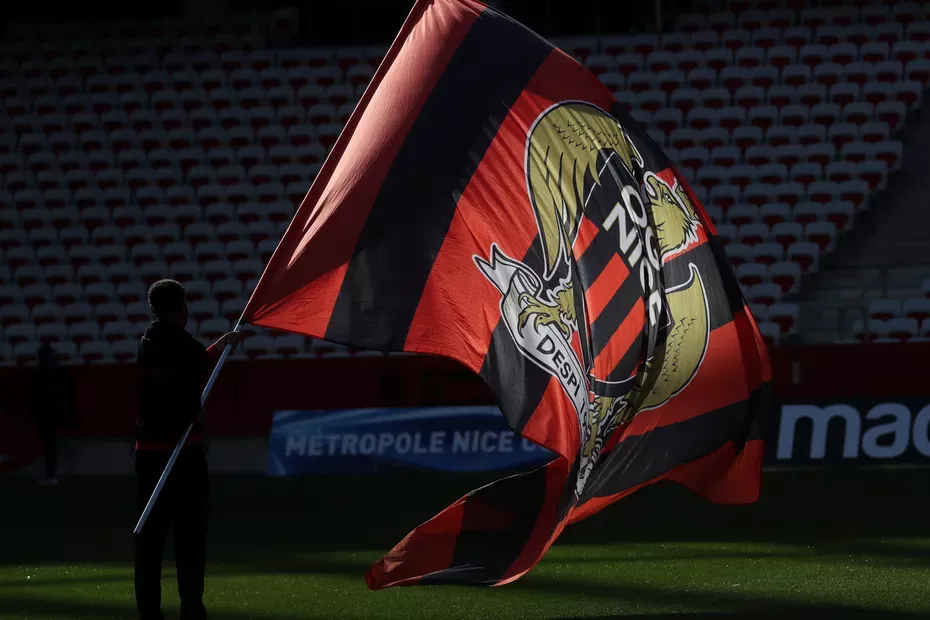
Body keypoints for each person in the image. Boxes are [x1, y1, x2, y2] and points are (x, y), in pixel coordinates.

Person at [134, 279, 244, 620]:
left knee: (150, 541)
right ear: (181, 306)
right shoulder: (179, 343)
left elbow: (188, 367)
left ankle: (149, 612)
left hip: (149, 454)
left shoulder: (149, 341)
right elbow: (178, 379)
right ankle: (192, 610)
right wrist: (191, 410)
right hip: (182, 453)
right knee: (190, 535)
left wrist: (218, 346)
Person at [30, 343, 72, 486]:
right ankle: (52, 474)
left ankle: (51, 475)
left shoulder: (39, 372)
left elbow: (34, 395)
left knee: (50, 445)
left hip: (46, 414)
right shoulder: (59, 371)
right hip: (56, 413)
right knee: (52, 445)